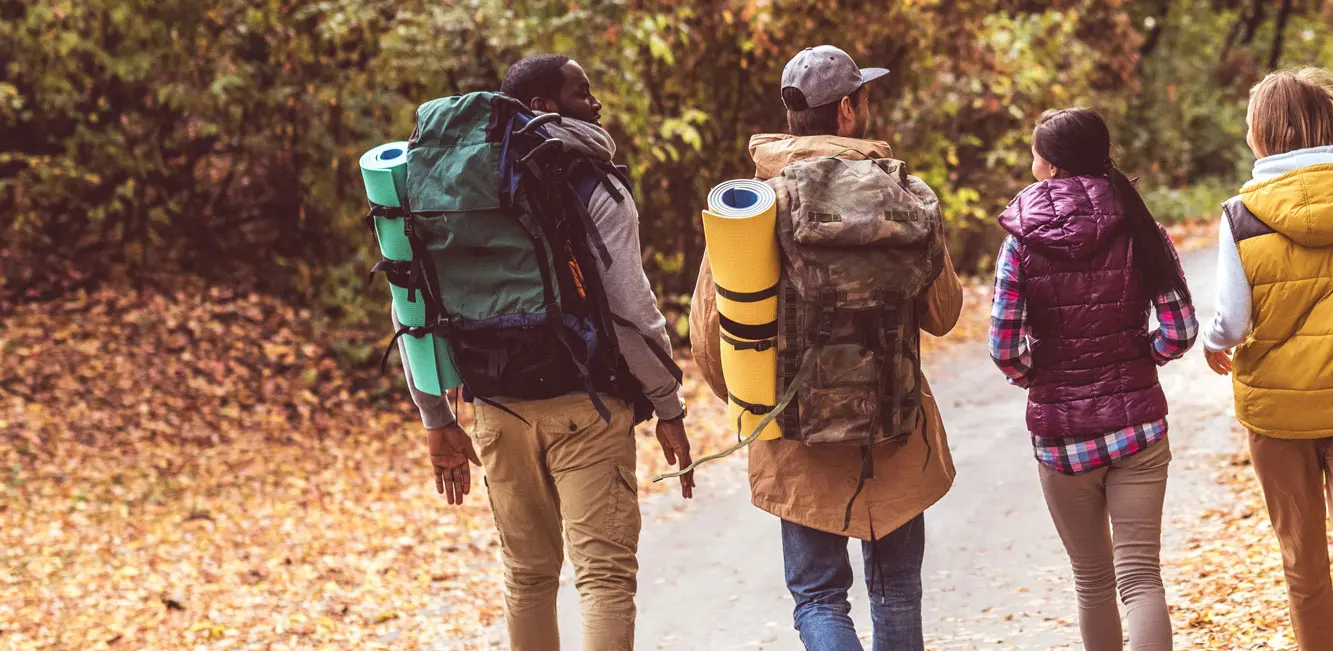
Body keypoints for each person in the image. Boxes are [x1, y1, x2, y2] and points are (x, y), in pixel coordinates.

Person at [399, 54, 694, 651]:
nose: (597, 105)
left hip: (494, 406)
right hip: (587, 404)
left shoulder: (448, 189)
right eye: (583, 92)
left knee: (528, 576)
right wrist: (668, 406)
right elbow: (629, 309)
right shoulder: (588, 178)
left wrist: (436, 419)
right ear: (543, 106)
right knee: (604, 578)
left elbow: (410, 306)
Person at [688, 45, 963, 651]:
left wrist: (763, 394)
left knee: (818, 598)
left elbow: (711, 341)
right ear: (846, 110)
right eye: (865, 96)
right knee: (896, 591)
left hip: (795, 434)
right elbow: (943, 316)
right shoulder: (907, 195)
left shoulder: (752, 207)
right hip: (895, 428)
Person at [1200, 67, 1333, 651]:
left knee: (1302, 559)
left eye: (1250, 126)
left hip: (1277, 414)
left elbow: (1233, 321)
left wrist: (1214, 342)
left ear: (1267, 134)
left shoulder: (1240, 215)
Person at [987, 107, 1196, 651]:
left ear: (1050, 166)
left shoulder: (1020, 240)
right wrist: (1140, 357)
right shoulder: (1140, 225)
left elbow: (1004, 349)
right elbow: (1179, 329)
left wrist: (1043, 374)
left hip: (1061, 438)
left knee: (1093, 581)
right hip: (1139, 432)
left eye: (1036, 154)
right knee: (1141, 578)